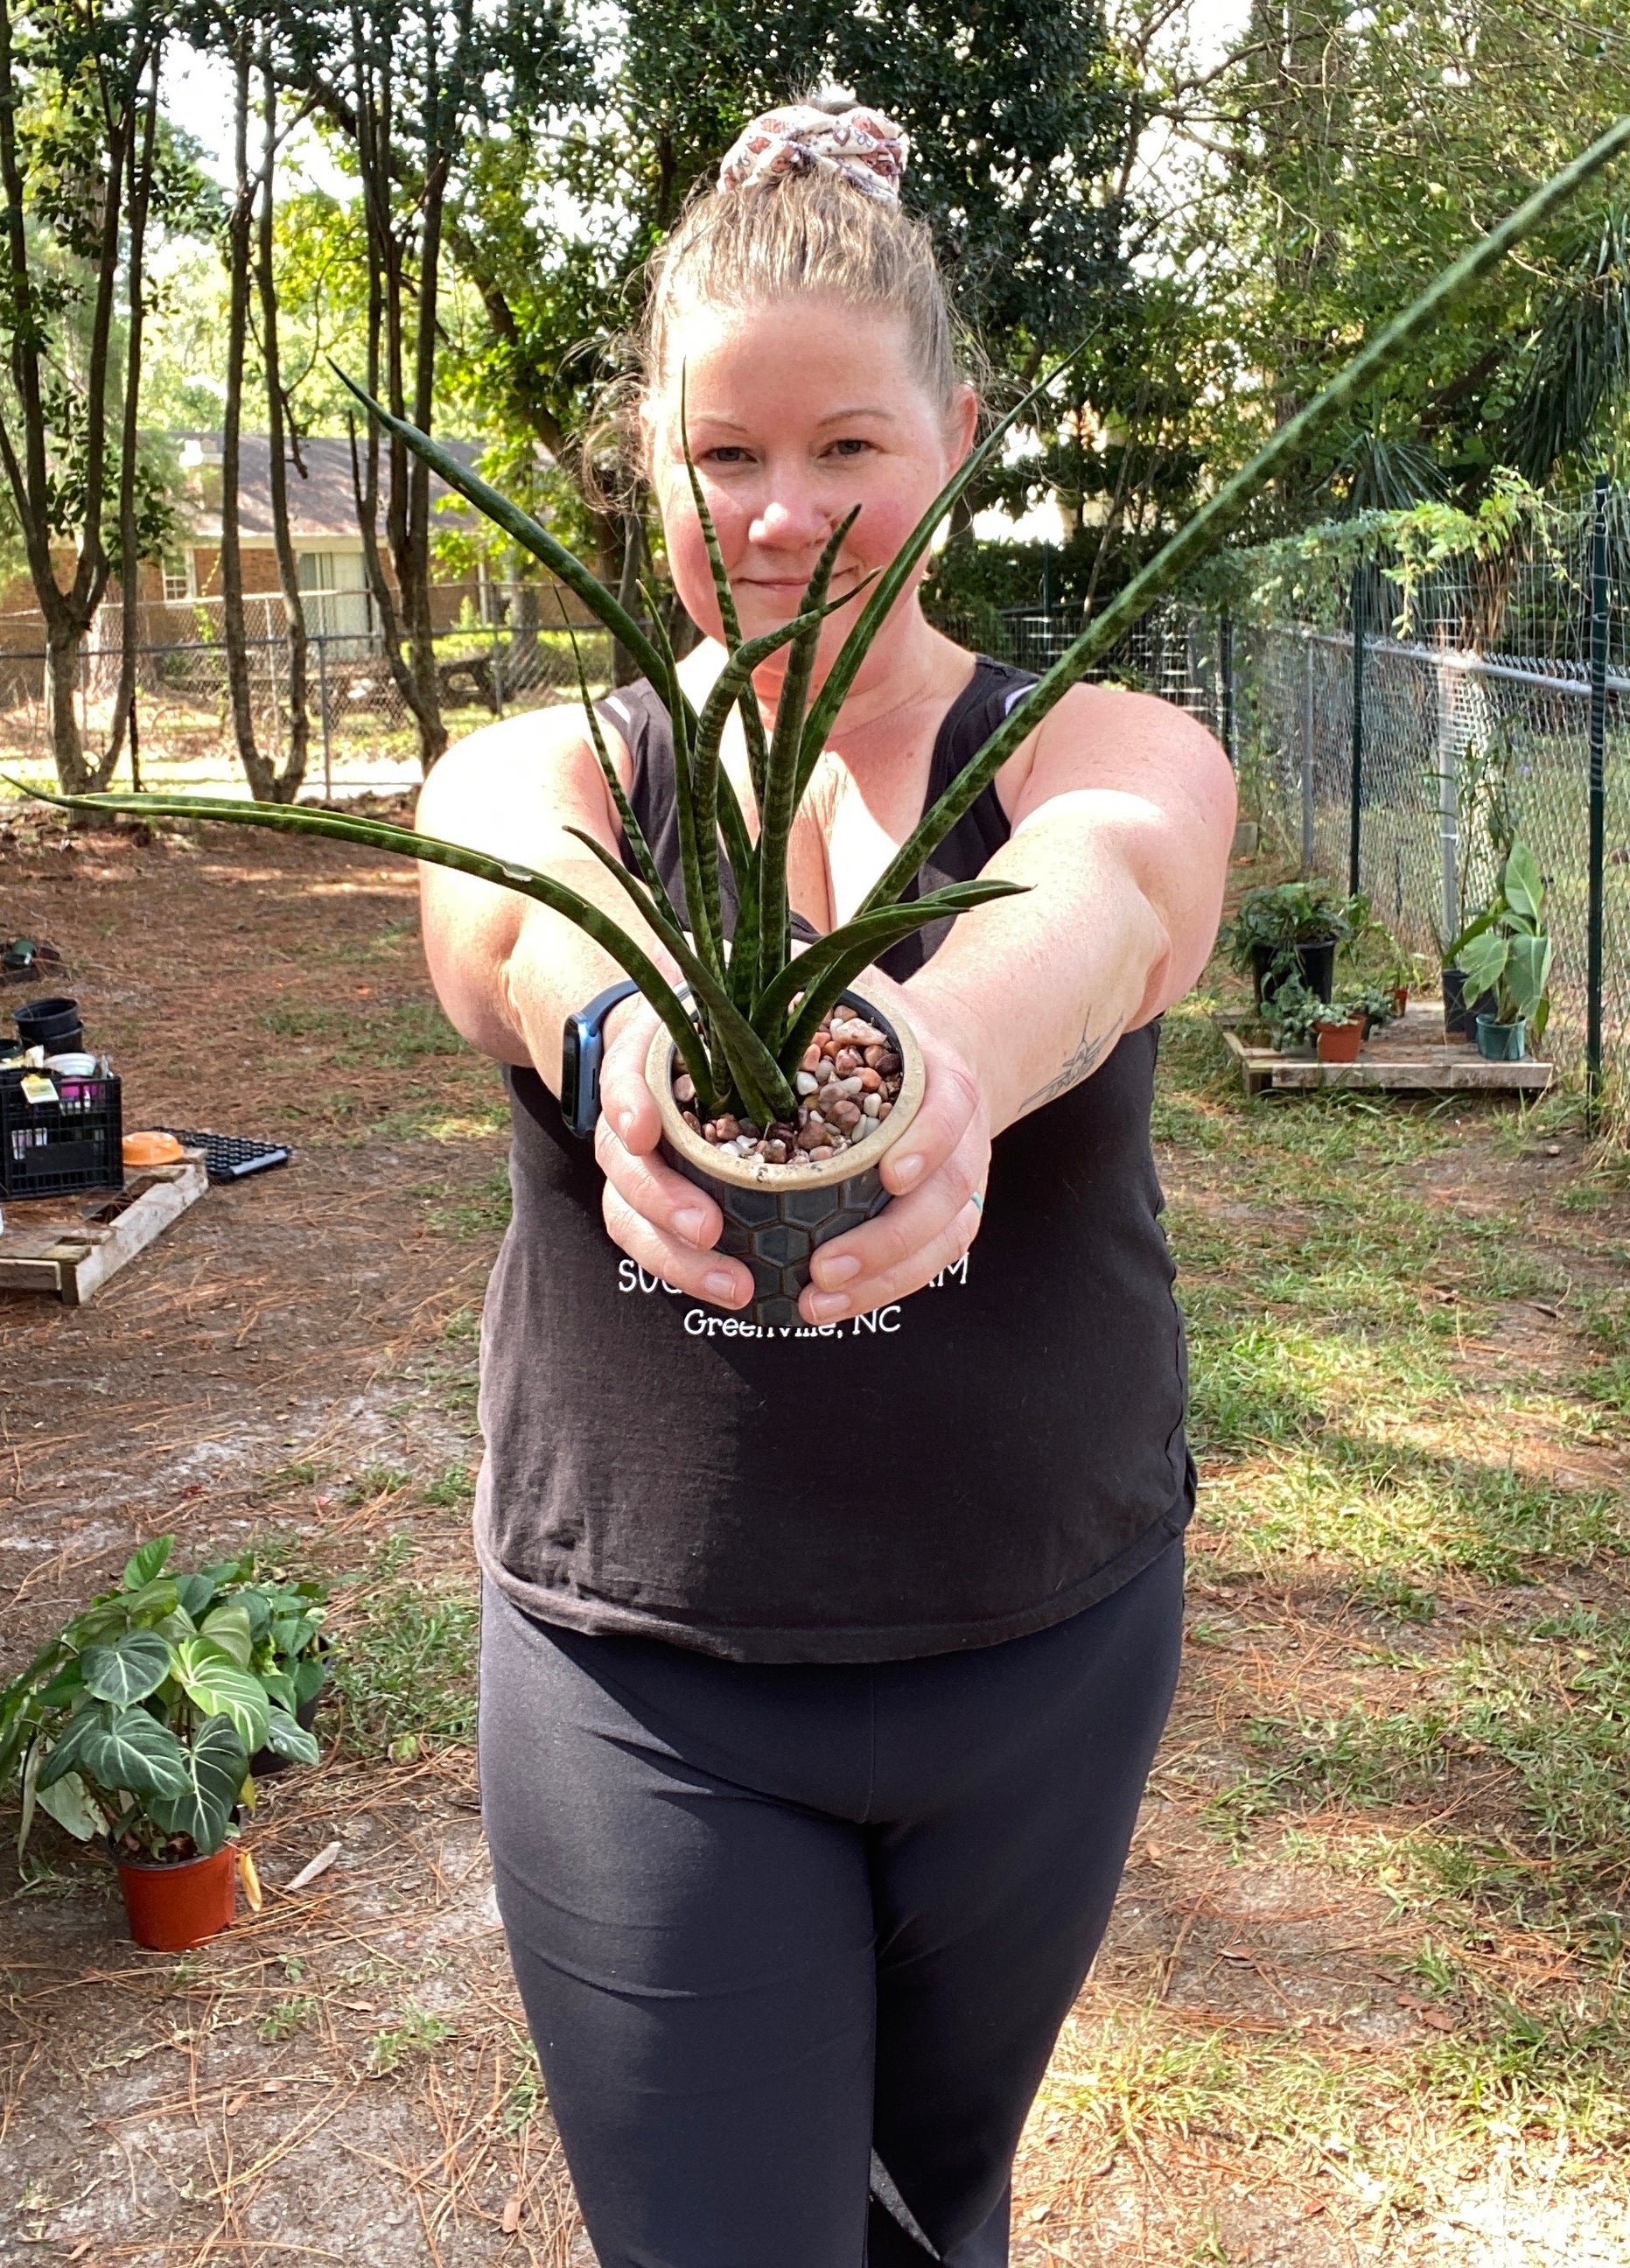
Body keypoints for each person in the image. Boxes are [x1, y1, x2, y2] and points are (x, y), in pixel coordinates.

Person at [416, 95, 1235, 2268]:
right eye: (722, 458)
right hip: (646, 1672)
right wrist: (625, 1042)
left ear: (954, 437)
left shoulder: (1103, 744)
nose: (781, 518)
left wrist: (939, 1061)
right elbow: (523, 917)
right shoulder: (557, 766)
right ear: (650, 466)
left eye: (849, 448)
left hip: (1044, 1648)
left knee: (933, 2220)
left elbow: (1110, 894)